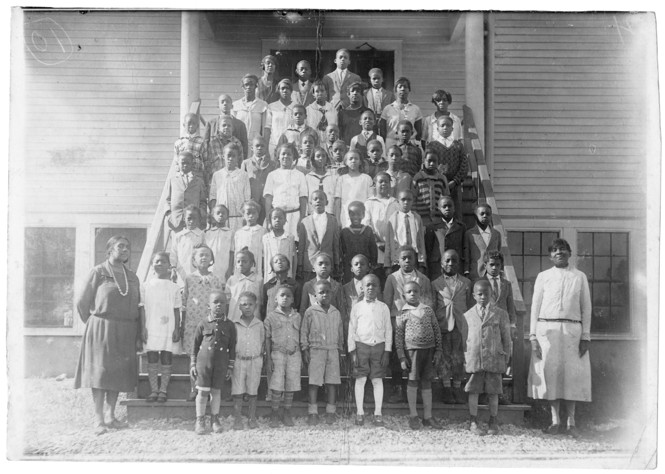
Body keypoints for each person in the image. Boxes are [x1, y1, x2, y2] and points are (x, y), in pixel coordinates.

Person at [74, 235, 143, 435]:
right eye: (120, 246)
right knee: (101, 374)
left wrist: (137, 333)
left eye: (128, 247)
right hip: (101, 328)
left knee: (118, 373)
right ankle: (99, 419)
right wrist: (94, 323)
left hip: (126, 330)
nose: (125, 250)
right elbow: (81, 302)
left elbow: (137, 307)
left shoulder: (132, 277)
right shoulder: (99, 272)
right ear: (110, 250)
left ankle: (111, 416)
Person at [528, 238, 592, 438]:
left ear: (569, 253)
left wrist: (586, 335)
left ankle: (571, 422)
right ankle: (555, 421)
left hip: (573, 331)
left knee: (571, 376)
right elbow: (535, 307)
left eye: (563, 249)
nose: (559, 253)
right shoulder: (543, 277)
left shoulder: (579, 277)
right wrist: (532, 336)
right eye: (555, 250)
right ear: (550, 256)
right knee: (552, 375)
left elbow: (586, 307)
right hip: (547, 330)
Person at [383, 246, 433, 403]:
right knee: (397, 357)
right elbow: (387, 301)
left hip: (417, 324)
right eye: (403, 258)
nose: (406, 261)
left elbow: (428, 302)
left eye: (410, 258)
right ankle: (397, 388)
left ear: (415, 259)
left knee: (414, 356)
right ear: (398, 260)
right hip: (397, 321)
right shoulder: (392, 278)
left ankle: (413, 389)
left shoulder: (423, 280)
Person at [463, 280, 512, 436]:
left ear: (492, 295)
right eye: (480, 294)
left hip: (494, 358)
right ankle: (473, 420)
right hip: (475, 358)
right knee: (473, 390)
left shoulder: (501, 314)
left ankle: (493, 420)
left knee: (493, 391)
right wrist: (466, 357)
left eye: (487, 294)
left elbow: (506, 338)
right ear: (474, 295)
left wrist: (506, 357)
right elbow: (465, 338)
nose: (483, 297)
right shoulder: (467, 315)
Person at [395, 281, 444, 430]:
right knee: (412, 382)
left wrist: (438, 350)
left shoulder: (428, 310)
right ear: (404, 295)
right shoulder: (402, 314)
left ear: (420, 293)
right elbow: (398, 337)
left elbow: (436, 331)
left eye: (415, 291)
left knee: (427, 382)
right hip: (412, 353)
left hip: (428, 351)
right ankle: (413, 415)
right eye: (409, 292)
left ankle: (428, 416)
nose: (412, 294)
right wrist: (402, 357)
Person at [348, 274, 392, 427]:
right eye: (368, 285)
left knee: (377, 380)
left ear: (379, 288)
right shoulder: (357, 307)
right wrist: (353, 351)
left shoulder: (383, 307)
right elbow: (351, 330)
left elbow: (388, 330)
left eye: (374, 285)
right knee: (360, 379)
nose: (371, 288)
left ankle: (378, 413)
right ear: (362, 288)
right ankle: (360, 412)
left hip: (378, 347)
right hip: (361, 347)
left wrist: (387, 351)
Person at [190, 291, 236, 435]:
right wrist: (192, 364)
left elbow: (232, 347)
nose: (218, 305)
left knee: (216, 392)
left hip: (221, 364)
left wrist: (230, 366)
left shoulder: (230, 325)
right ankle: (200, 420)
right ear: (209, 305)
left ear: (226, 305)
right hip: (204, 364)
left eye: (222, 302)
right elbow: (195, 346)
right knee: (202, 393)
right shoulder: (203, 324)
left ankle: (215, 419)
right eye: (215, 302)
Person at [182, 244, 224, 400]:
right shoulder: (189, 278)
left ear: (212, 259)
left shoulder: (215, 279)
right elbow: (184, 301)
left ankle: (209, 389)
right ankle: (194, 388)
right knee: (194, 355)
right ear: (194, 259)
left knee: (209, 355)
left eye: (207, 255)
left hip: (210, 324)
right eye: (201, 255)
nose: (204, 257)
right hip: (192, 323)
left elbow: (220, 301)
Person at [301, 279, 344, 425]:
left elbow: (340, 333)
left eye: (327, 292)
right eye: (321, 292)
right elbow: (304, 331)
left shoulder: (335, 312)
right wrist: (305, 348)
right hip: (316, 350)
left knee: (332, 382)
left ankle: (331, 411)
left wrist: (340, 349)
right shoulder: (310, 312)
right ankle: (312, 412)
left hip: (332, 351)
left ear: (332, 294)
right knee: (314, 382)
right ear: (314, 295)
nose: (325, 295)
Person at [431, 249, 471, 404]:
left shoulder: (466, 283)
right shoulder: (435, 283)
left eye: (454, 260)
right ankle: (446, 388)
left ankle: (457, 387)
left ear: (459, 263)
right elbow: (434, 306)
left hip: (461, 325)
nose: (450, 264)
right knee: (444, 357)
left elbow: (469, 304)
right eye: (447, 261)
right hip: (443, 325)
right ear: (441, 263)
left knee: (459, 357)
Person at [142, 252, 182, 403]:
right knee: (152, 356)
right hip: (151, 325)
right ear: (152, 265)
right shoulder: (146, 285)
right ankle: (154, 390)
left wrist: (177, 328)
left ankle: (163, 390)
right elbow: (142, 308)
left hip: (168, 326)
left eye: (163, 262)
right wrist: (142, 328)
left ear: (169, 266)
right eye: (156, 261)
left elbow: (177, 309)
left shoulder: (174, 287)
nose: (159, 264)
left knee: (166, 355)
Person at [264, 285, 302, 427]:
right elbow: (267, 338)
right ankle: (274, 412)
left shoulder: (297, 316)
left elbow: (300, 335)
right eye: (282, 295)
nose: (285, 298)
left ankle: (286, 412)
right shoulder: (271, 317)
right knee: (277, 385)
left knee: (291, 384)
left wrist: (301, 354)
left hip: (294, 354)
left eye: (288, 296)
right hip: (277, 354)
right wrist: (268, 359)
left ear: (293, 300)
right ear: (276, 299)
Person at [231, 291, 265, 430]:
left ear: (255, 306)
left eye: (250, 304)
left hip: (254, 360)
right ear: (239, 307)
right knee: (238, 390)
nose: (247, 307)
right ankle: (237, 418)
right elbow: (232, 344)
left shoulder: (260, 325)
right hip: (239, 360)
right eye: (244, 304)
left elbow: (262, 342)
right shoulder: (234, 325)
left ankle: (252, 418)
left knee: (252, 389)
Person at [263, 142, 308, 240]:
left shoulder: (300, 175)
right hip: (277, 217)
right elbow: (268, 199)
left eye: (289, 154)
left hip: (294, 216)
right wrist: (268, 219)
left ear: (294, 157)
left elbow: (303, 198)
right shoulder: (272, 175)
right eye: (283, 154)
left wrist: (301, 218)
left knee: (293, 246)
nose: (286, 156)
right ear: (278, 157)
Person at [363, 172, 399, 284]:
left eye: (386, 182)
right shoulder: (369, 203)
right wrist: (377, 242)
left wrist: (390, 244)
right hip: (377, 249)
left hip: (393, 249)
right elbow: (367, 225)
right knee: (377, 281)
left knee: (392, 281)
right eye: (380, 181)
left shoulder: (396, 203)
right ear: (375, 184)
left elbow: (399, 226)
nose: (383, 184)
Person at [297, 191, 341, 282]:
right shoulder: (304, 222)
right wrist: (300, 265)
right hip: (309, 264)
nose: (318, 201)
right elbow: (301, 246)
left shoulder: (333, 220)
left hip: (327, 264)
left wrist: (336, 263)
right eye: (315, 199)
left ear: (327, 202)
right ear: (310, 203)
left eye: (321, 199)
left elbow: (335, 244)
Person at [208, 142, 251, 234]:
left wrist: (245, 217)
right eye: (228, 155)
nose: (231, 159)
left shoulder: (243, 175)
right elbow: (213, 197)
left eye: (234, 156)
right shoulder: (217, 175)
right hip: (221, 220)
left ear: (238, 158)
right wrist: (213, 216)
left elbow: (247, 199)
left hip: (238, 218)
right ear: (223, 156)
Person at [431, 116, 468, 217]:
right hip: (437, 184)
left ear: (452, 128)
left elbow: (464, 164)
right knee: (438, 210)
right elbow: (429, 164)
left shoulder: (458, 145)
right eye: (442, 125)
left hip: (454, 185)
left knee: (456, 210)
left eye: (448, 125)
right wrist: (439, 180)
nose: (445, 128)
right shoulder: (432, 146)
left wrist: (455, 181)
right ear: (437, 128)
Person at [425, 196, 466, 281]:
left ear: (454, 208)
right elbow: (428, 249)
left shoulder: (461, 227)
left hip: (454, 265)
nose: (447, 208)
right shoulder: (432, 227)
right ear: (439, 209)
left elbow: (464, 248)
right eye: (444, 206)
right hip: (438, 267)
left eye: (450, 206)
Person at [385, 190, 426, 273]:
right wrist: (387, 265)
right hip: (398, 260)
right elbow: (388, 243)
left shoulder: (417, 218)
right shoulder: (392, 219)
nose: (406, 202)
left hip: (414, 260)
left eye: (409, 200)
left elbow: (421, 242)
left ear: (412, 201)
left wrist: (422, 263)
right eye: (403, 200)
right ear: (398, 201)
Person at [166, 152, 207, 233]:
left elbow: (203, 202)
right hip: (176, 221)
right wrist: (169, 215)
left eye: (188, 163)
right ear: (178, 163)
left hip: (194, 222)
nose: (185, 165)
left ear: (192, 164)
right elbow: (167, 200)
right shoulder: (172, 180)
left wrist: (200, 215)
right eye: (183, 163)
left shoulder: (198, 181)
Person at [241, 136, 277, 225]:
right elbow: (242, 184)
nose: (260, 148)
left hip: (267, 203)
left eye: (262, 146)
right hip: (252, 202)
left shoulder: (273, 164)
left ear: (266, 147)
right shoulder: (246, 163)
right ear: (252, 148)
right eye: (257, 146)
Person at [380, 77, 423, 150]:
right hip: (391, 144)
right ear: (395, 90)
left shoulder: (415, 109)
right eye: (400, 87)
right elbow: (382, 131)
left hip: (410, 145)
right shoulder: (388, 109)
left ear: (409, 90)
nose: (403, 89)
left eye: (405, 87)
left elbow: (419, 131)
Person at [412, 146, 450, 229]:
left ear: (438, 162)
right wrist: (415, 218)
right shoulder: (418, 178)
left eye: (434, 161)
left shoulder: (442, 178)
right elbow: (413, 199)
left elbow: (446, 198)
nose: (432, 164)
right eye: (429, 161)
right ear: (424, 161)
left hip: (439, 221)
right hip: (422, 221)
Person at [333, 150, 373, 228]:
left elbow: (370, 201)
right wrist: (337, 220)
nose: (353, 161)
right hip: (346, 216)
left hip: (363, 216)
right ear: (346, 162)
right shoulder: (341, 179)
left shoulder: (367, 178)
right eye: (350, 159)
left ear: (360, 162)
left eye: (356, 158)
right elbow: (338, 201)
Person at [340, 201, 378, 283]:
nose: (355, 217)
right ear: (348, 215)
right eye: (352, 214)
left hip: (365, 267)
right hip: (349, 268)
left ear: (363, 215)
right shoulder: (344, 232)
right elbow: (341, 251)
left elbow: (373, 249)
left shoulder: (368, 230)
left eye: (358, 214)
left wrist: (373, 264)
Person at [464, 204, 502, 281]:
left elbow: (499, 252)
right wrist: (466, 271)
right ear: (475, 216)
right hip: (476, 273)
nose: (485, 216)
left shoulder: (496, 234)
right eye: (482, 214)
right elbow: (466, 254)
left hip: (492, 274)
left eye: (488, 214)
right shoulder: (470, 234)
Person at [300, 253, 345, 317]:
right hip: (314, 323)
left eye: (327, 264)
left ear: (331, 268)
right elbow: (303, 309)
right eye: (320, 264)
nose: (324, 266)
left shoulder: (337, 286)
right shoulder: (308, 286)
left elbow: (341, 310)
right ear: (313, 268)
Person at [205, 94, 248, 162]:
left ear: (232, 106)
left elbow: (244, 147)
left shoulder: (240, 125)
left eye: (227, 101)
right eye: (222, 102)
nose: (225, 104)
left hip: (234, 162)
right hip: (215, 163)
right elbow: (205, 145)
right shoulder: (211, 123)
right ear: (218, 105)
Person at [225, 248, 263, 323]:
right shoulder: (232, 279)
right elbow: (227, 301)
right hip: (234, 318)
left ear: (251, 263)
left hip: (253, 319)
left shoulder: (258, 280)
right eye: (238, 261)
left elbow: (261, 301)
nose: (241, 264)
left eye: (244, 261)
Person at [170, 205, 206, 284]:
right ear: (184, 219)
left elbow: (206, 252)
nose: (192, 221)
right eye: (189, 218)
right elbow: (174, 254)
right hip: (182, 272)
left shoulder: (202, 235)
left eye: (195, 218)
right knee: (182, 291)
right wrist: (173, 269)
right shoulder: (179, 236)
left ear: (199, 219)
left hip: (197, 272)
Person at [261, 253, 302, 320]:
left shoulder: (295, 285)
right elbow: (264, 306)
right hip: (271, 322)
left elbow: (298, 305)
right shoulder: (267, 286)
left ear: (288, 266)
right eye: (276, 261)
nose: (279, 262)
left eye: (282, 260)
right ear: (272, 268)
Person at [262, 208, 297, 282]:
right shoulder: (266, 238)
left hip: (286, 275)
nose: (277, 220)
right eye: (274, 218)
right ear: (270, 221)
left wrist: (293, 275)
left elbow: (294, 258)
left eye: (280, 218)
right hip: (270, 276)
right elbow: (263, 258)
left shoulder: (290, 238)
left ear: (285, 220)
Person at [233, 74, 269, 145]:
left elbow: (265, 128)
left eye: (251, 84)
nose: (249, 87)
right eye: (246, 84)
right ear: (243, 87)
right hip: (239, 144)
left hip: (255, 144)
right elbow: (233, 127)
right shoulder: (235, 105)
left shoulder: (263, 105)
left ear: (256, 86)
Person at [233, 200, 267, 276]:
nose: (251, 216)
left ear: (258, 214)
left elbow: (265, 252)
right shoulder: (239, 233)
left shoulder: (263, 231)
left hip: (257, 266)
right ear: (243, 216)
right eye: (248, 213)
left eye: (254, 213)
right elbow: (236, 252)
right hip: (242, 266)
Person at [265, 78, 295, 158]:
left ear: (291, 90)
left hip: (291, 146)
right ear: (278, 90)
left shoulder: (296, 107)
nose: (285, 90)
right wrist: (266, 147)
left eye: (287, 88)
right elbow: (267, 128)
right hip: (274, 145)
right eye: (282, 88)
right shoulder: (271, 107)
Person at [173, 113, 207, 184]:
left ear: (197, 126)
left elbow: (206, 161)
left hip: (197, 176)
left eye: (194, 123)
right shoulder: (178, 142)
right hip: (182, 177)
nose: (191, 125)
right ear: (184, 125)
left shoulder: (202, 142)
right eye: (189, 123)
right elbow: (176, 162)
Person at [205, 204, 234, 284]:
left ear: (227, 216)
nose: (221, 215)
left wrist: (230, 269)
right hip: (210, 267)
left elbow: (232, 252)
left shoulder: (230, 233)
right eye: (218, 213)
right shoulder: (208, 233)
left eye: (223, 213)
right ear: (213, 216)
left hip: (224, 267)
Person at [305, 146, 336, 215]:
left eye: (323, 156)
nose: (321, 158)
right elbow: (306, 197)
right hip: (312, 213)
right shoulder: (308, 177)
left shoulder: (333, 176)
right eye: (318, 156)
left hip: (329, 212)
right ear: (313, 159)